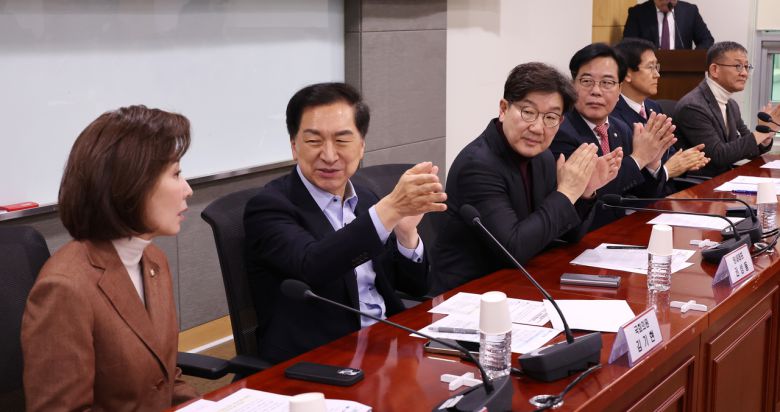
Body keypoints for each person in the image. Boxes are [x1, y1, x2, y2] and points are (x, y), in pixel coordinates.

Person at [244, 82, 446, 363]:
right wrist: (390, 209)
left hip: (385, 345)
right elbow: (313, 265)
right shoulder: (268, 207)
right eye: (314, 141)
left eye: (342, 141)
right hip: (321, 358)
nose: (329, 155)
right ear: (294, 147)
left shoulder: (365, 198)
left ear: (361, 147)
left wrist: (406, 233)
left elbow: (416, 287)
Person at [22, 106, 199, 411]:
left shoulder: (153, 260)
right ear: (131, 184)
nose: (188, 190)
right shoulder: (65, 287)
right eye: (176, 174)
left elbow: (165, 379)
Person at [429, 62, 622, 294]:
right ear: (503, 109)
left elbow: (568, 235)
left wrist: (584, 192)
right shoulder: (478, 165)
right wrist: (566, 193)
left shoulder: (542, 157)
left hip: (521, 282)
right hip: (471, 293)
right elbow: (513, 249)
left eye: (550, 117)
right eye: (528, 112)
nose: (538, 128)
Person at [550, 43, 676, 230]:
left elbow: (641, 195)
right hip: (582, 235)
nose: (596, 91)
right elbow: (592, 192)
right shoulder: (560, 130)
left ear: (619, 90)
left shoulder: (620, 128)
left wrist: (652, 165)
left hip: (618, 232)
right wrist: (638, 159)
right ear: (572, 85)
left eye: (607, 83)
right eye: (586, 81)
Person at [613, 37, 709, 188]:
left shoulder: (654, 107)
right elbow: (626, 176)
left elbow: (668, 153)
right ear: (627, 74)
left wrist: (685, 160)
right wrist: (666, 170)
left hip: (666, 190)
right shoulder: (612, 114)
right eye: (650, 67)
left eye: (656, 67)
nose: (657, 74)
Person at [675, 41, 780, 177]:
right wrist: (761, 134)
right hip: (700, 184)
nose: (745, 73)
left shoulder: (731, 105)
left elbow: (749, 149)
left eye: (747, 67)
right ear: (715, 70)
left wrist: (766, 136)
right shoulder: (693, 107)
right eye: (738, 66)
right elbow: (718, 156)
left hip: (725, 179)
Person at [623, 0, 714, 50]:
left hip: (682, 69)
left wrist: (692, 57)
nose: (667, 1)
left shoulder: (690, 11)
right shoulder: (637, 12)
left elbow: (707, 40)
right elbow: (628, 44)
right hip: (648, 70)